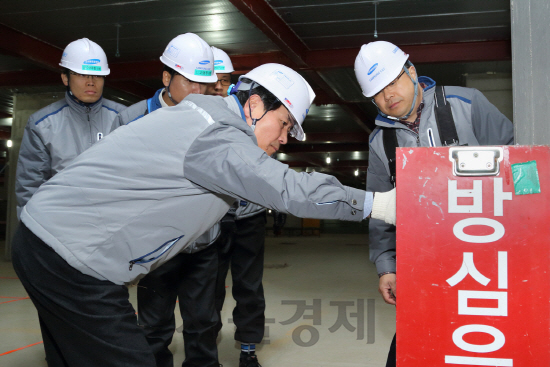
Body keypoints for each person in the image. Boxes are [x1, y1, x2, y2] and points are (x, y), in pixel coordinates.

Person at [12, 62, 396, 367]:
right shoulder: (217, 134)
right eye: (283, 125)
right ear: (256, 104)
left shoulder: (203, 120)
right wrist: (378, 204)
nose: (283, 141)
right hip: (68, 261)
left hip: (47, 244)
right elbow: (287, 189)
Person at [354, 40, 514, 367]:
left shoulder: (466, 104)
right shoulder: (380, 141)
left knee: (482, 340)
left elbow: (518, 159)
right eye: (377, 92)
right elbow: (381, 209)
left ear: (411, 72)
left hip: (485, 249)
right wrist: (388, 265)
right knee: (414, 347)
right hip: (423, 260)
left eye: (393, 81)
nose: (388, 95)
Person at [112, 33, 222, 367]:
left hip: (203, 245)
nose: (198, 92)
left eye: (204, 85)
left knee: (204, 325)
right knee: (154, 328)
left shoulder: (215, 121)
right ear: (166, 77)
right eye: (190, 83)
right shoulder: (132, 120)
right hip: (154, 249)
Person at [203, 46, 268, 367]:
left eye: (224, 79)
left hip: (250, 216)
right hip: (211, 220)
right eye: (213, 79)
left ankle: (248, 348)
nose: (218, 85)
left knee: (249, 285)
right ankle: (206, 339)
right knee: (208, 286)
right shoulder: (196, 117)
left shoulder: (252, 114)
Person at [15, 38, 125, 218]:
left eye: (97, 75)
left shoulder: (124, 118)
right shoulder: (42, 125)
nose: (91, 82)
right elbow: (30, 188)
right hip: (63, 225)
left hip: (114, 224)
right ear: (65, 78)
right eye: (82, 75)